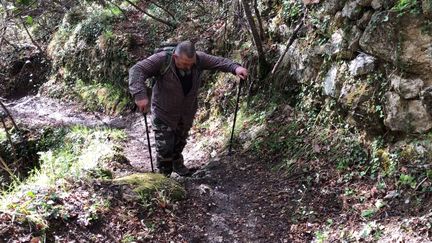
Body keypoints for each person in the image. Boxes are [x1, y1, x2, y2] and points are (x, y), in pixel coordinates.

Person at [129, 40, 248, 177]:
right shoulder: (162, 59)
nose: (188, 68)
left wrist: (236, 68)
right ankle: (164, 178)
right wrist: (140, 95)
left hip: (186, 112)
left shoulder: (199, 59)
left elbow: (219, 62)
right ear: (175, 57)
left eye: (191, 65)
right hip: (163, 112)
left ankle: (178, 165)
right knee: (165, 149)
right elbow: (137, 70)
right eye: (184, 64)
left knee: (180, 141)